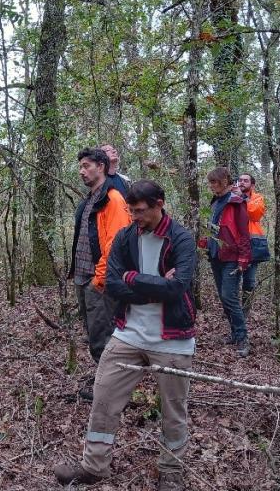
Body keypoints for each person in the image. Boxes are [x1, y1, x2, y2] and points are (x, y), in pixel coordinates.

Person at [54, 180, 196, 491]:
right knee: (103, 398)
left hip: (172, 336)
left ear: (160, 203)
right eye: (131, 211)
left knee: (174, 410)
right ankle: (94, 466)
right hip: (128, 333)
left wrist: (134, 280)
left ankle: (171, 473)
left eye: (141, 211)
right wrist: (146, 284)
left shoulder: (181, 238)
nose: (135, 216)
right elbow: (114, 285)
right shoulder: (126, 236)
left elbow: (178, 286)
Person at [68, 147, 131, 399]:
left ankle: (111, 391)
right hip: (84, 277)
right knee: (95, 334)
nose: (82, 171)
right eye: (80, 166)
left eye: (87, 166)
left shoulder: (112, 198)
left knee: (103, 336)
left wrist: (100, 279)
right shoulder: (90, 200)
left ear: (101, 167)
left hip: (99, 281)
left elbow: (115, 244)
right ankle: (106, 380)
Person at [201, 166, 251, 357]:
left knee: (230, 297)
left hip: (232, 256)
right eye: (210, 182)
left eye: (214, 182)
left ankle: (242, 337)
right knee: (224, 298)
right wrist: (204, 243)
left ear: (223, 181)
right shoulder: (215, 201)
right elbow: (211, 226)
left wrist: (243, 258)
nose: (211, 186)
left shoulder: (236, 202)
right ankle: (234, 333)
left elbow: (244, 233)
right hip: (216, 254)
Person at [234, 173, 267, 316]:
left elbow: (255, 214)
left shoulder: (257, 198)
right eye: (240, 180)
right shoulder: (230, 197)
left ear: (252, 185)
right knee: (232, 280)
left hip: (252, 244)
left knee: (249, 281)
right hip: (234, 244)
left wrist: (242, 197)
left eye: (245, 181)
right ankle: (234, 310)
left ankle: (245, 311)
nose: (242, 183)